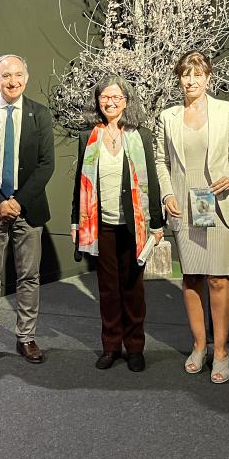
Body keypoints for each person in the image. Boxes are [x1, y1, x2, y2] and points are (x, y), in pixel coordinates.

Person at [157, 51, 229, 383]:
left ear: (208, 78)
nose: (191, 81)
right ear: (179, 79)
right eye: (185, 74)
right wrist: (167, 194)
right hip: (183, 203)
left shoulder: (227, 111)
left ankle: (221, 351)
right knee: (192, 277)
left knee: (218, 278)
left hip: (215, 201)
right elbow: (161, 160)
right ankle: (199, 345)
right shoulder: (168, 116)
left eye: (197, 74)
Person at [0, 54, 55, 366]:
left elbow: (46, 164)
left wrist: (18, 202)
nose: (12, 81)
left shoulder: (40, 114)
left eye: (18, 75)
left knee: (29, 277)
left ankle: (26, 337)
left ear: (26, 79)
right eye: (6, 76)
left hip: (28, 210)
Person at [72, 76, 163, 372]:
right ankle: (110, 346)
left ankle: (135, 347)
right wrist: (75, 221)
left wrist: (157, 224)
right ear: (97, 101)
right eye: (104, 97)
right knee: (108, 289)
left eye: (116, 97)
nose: (110, 102)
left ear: (126, 101)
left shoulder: (141, 136)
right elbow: (80, 183)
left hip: (134, 225)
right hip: (100, 225)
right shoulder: (88, 136)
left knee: (133, 288)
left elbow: (152, 180)